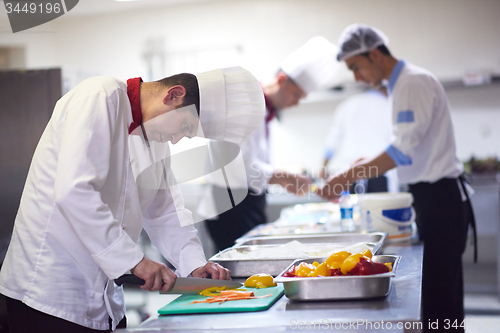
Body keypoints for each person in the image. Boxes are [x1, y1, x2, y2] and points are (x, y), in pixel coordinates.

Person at [0, 66, 265, 332]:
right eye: (184, 127)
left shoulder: (156, 138)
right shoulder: (99, 96)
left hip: (104, 299)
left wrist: (195, 264)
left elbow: (166, 214)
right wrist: (136, 261)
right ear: (174, 95)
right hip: (48, 291)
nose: (176, 140)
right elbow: (73, 191)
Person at [318, 24, 476, 332]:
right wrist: (365, 162)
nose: (356, 77)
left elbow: (402, 151)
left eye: (356, 67)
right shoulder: (400, 84)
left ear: (374, 54)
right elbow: (410, 144)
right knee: (438, 295)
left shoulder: (411, 83)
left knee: (441, 299)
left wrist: (347, 175)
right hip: (433, 197)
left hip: (442, 199)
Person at [200, 37, 341, 252]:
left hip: (250, 203)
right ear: (282, 79)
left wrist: (281, 178)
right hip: (228, 205)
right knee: (239, 278)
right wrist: (282, 177)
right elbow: (233, 165)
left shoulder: (266, 111)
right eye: (296, 95)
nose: (296, 103)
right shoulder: (241, 102)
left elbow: (254, 162)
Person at [320, 86, 399, 193]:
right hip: (380, 172)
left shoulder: (348, 105)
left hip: (352, 174)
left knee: (355, 207)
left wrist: (323, 168)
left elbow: (332, 142)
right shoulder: (390, 106)